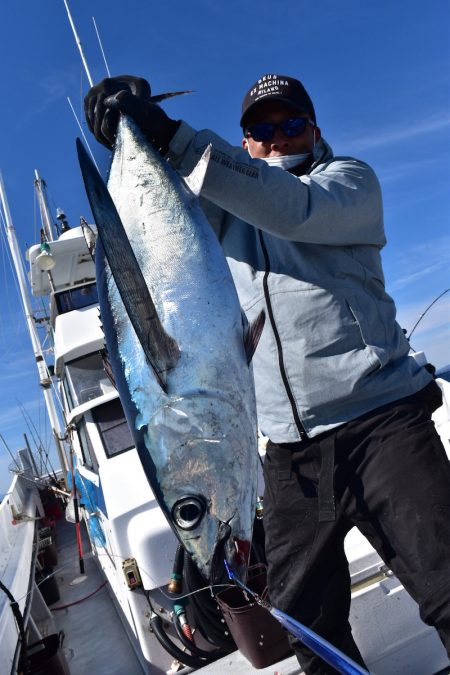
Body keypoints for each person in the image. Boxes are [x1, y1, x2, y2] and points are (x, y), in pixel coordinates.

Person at [84, 73, 450, 673]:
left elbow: (292, 210)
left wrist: (174, 136)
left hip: (382, 422)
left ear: (315, 130)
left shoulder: (348, 184)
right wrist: (125, 124)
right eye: (261, 130)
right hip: (288, 451)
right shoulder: (225, 213)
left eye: (291, 125)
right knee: (307, 627)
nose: (277, 140)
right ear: (245, 141)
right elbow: (159, 234)